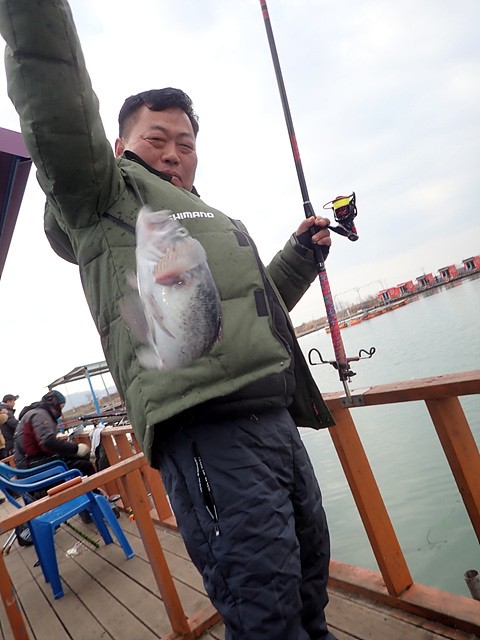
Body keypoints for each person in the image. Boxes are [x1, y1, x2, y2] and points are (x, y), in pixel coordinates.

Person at [0, 3, 337, 638]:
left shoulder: (208, 218)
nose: (174, 153)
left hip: (277, 425)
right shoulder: (103, 196)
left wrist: (300, 255)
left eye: (185, 143)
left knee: (309, 591)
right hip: (209, 436)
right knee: (265, 614)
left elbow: (248, 314)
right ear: (118, 146)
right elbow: (56, 101)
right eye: (156, 139)